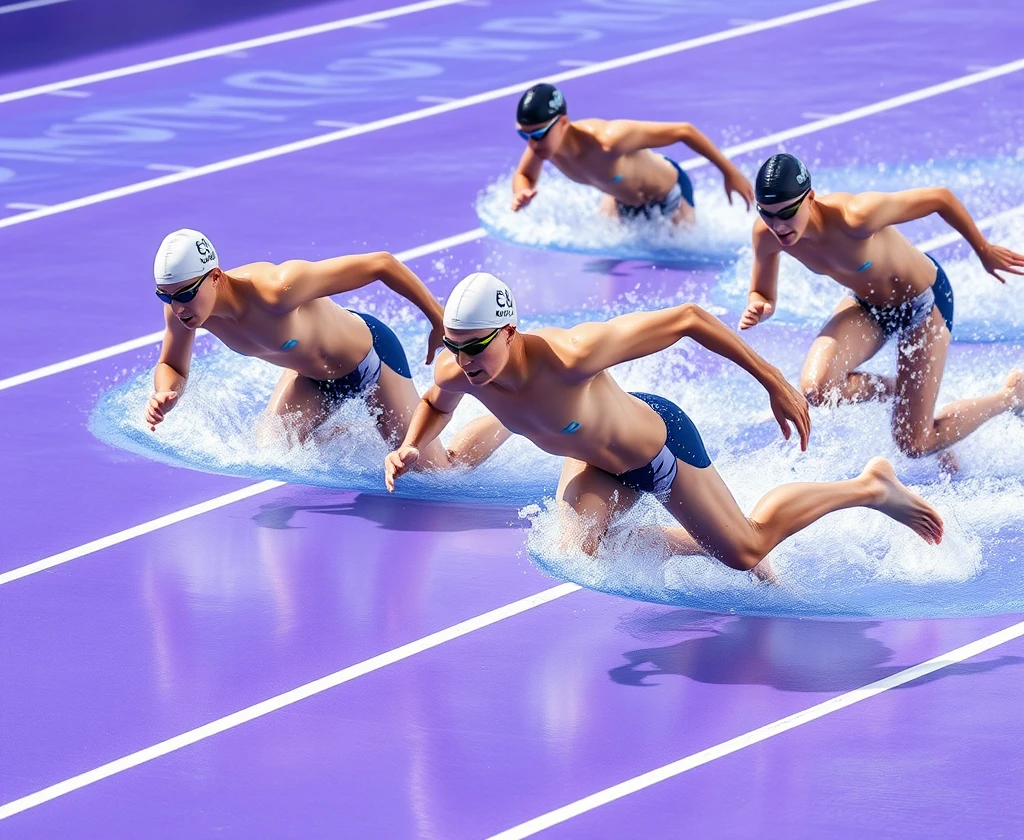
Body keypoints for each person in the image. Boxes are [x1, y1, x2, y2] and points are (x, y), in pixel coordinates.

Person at [384, 273, 943, 572]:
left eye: (475, 347)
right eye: (455, 348)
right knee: (579, 547)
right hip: (594, 460)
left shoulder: (574, 354)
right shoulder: (458, 369)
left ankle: (869, 487)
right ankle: (704, 539)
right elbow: (436, 400)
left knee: (748, 552)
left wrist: (772, 379)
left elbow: (690, 319)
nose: (464, 361)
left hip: (659, 447)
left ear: (509, 331)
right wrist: (410, 446)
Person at [740, 154, 1024, 460]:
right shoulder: (765, 235)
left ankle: (1011, 396)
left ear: (810, 198)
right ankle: (905, 392)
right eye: (767, 214)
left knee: (915, 444)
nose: (778, 226)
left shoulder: (856, 216)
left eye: (787, 213)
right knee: (817, 390)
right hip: (867, 305)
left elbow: (940, 198)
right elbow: (762, 292)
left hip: (923, 305)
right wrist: (760, 306)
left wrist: (984, 250)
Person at [147, 229, 506, 470]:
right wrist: (166, 392)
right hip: (312, 377)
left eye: (184, 294)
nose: (177, 307)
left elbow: (381, 263)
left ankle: (509, 419)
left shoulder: (276, 288)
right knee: (273, 453)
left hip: (371, 360)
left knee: (438, 471)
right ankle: (352, 432)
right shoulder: (185, 312)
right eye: (166, 296)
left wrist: (437, 318)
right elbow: (172, 366)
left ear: (215, 276)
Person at [509, 83, 753, 226]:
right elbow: (524, 174)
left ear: (562, 123)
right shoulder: (543, 148)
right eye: (523, 135)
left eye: (538, 133)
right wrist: (522, 192)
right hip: (622, 202)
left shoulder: (608, 140)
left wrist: (729, 172)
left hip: (669, 195)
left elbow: (684, 131)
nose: (531, 142)